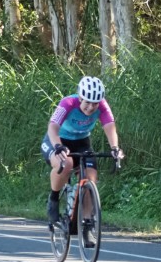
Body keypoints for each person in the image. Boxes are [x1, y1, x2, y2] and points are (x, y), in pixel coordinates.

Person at [41, 76, 124, 248]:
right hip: (57, 140)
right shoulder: (68, 103)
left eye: (95, 104)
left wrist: (115, 148)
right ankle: (53, 199)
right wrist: (58, 146)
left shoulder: (103, 106)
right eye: (88, 102)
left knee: (90, 177)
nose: (91, 107)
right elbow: (52, 127)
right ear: (80, 98)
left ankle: (87, 225)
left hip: (81, 142)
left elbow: (110, 127)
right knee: (66, 164)